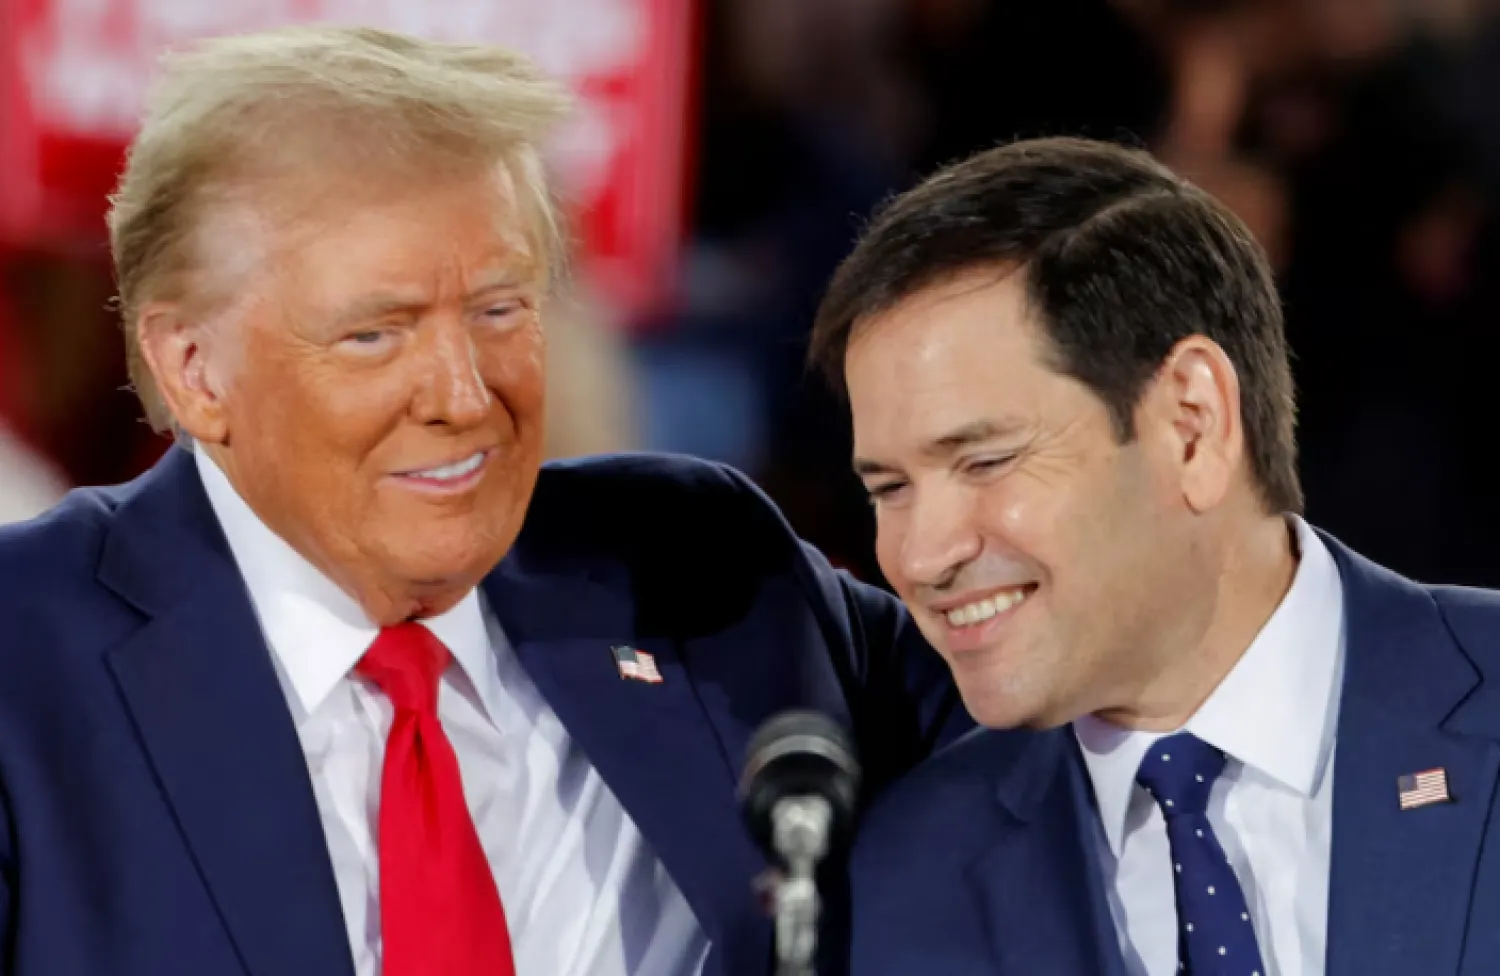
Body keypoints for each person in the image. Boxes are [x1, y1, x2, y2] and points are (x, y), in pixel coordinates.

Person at [0, 26, 969, 976]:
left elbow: (1054, 707)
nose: (464, 395)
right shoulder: (25, 657)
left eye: (501, 310)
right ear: (194, 368)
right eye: (376, 334)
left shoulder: (693, 570)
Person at [808, 135, 1500, 976]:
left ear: (1191, 424)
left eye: (985, 461)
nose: (922, 554)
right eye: (889, 489)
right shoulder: (905, 881)